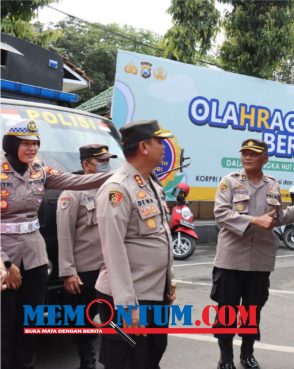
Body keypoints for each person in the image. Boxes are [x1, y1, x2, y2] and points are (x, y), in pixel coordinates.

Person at [1, 120, 113, 369]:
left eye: (35, 143)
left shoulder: (39, 171)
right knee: (4, 324)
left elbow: (76, 182)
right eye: (25, 143)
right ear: (11, 144)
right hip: (4, 257)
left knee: (29, 322)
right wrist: (6, 263)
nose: (31, 148)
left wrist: (120, 175)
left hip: (35, 258)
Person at [212, 138, 294, 369]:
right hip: (231, 260)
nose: (247, 157)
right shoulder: (229, 182)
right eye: (245, 153)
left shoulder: (272, 185)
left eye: (254, 153)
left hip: (260, 261)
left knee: (252, 311)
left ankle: (247, 354)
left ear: (265, 159)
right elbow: (220, 214)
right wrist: (254, 220)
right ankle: (226, 358)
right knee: (227, 311)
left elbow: (277, 218)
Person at [94, 119, 176, 369]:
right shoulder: (117, 189)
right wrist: (127, 307)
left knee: (152, 357)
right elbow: (113, 251)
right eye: (159, 141)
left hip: (153, 293)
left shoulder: (150, 183)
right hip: (128, 298)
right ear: (143, 146)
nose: (164, 146)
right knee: (126, 362)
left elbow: (159, 237)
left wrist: (167, 283)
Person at [57, 144, 118, 369]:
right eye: (100, 161)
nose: (106, 165)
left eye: (107, 160)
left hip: (109, 266)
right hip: (85, 270)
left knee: (111, 318)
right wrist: (68, 272)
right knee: (84, 320)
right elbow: (64, 235)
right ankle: (87, 360)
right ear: (85, 165)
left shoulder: (112, 190)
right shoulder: (71, 193)